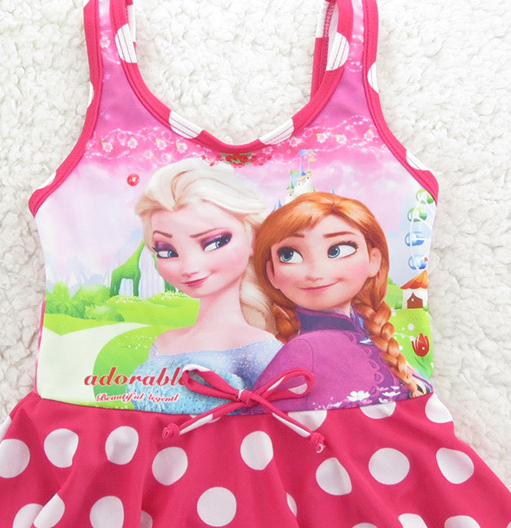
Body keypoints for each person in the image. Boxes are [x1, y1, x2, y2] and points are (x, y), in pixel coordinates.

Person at [126, 158, 281, 413]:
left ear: (253, 238)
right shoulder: (163, 341)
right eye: (167, 251)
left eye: (215, 242)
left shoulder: (259, 348)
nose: (189, 267)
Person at [252, 190, 432, 410]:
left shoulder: (370, 336)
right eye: (289, 255)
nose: (315, 272)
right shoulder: (305, 348)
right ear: (271, 273)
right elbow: (263, 421)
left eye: (338, 250)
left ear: (373, 260)